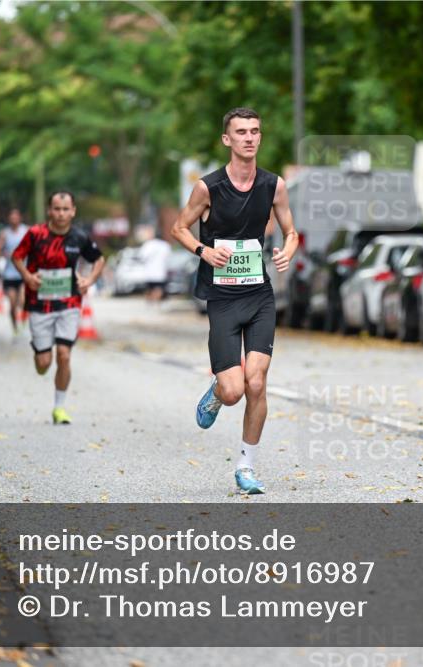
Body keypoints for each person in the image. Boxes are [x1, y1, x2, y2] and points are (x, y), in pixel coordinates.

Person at [171, 107, 299, 495]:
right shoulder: (207, 188)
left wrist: (287, 251)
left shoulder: (273, 185)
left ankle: (246, 466)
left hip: (258, 294)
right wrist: (202, 251)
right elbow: (178, 227)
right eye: (241, 132)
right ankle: (216, 392)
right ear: (227, 139)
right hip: (222, 298)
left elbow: (291, 231)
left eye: (255, 131)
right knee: (234, 390)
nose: (249, 137)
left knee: (257, 383)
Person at [12, 191, 104, 424]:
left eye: (66, 209)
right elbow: (16, 256)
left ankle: (59, 407)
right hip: (39, 304)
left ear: (73, 211)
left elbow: (99, 259)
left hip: (69, 303)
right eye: (56, 209)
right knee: (44, 364)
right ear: (49, 211)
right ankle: (40, 357)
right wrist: (27, 277)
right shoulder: (35, 234)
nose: (61, 213)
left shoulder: (80, 237)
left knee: (63, 355)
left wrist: (89, 280)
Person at [0, 208, 30, 335]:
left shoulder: (26, 230)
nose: (14, 219)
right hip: (9, 274)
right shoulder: (4, 233)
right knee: (12, 304)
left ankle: (23, 320)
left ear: (20, 218)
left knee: (22, 300)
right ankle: (15, 327)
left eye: (16, 217)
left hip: (23, 272)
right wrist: (0, 253)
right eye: (12, 217)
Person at [139, 229, 171, 302]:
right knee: (159, 289)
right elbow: (168, 258)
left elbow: (142, 256)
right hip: (161, 272)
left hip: (149, 272)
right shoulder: (165, 245)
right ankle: (156, 301)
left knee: (150, 289)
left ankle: (151, 301)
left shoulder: (148, 244)